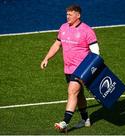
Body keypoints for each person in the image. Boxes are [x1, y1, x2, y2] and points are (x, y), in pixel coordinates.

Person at [40, 4, 100, 132]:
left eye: (70, 14)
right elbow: (57, 44)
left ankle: (64, 122)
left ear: (78, 15)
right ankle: (85, 119)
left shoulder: (87, 31)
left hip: (81, 69)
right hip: (67, 68)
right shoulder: (63, 28)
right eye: (67, 14)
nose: (67, 17)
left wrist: (89, 69)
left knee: (72, 92)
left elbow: (96, 53)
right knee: (79, 95)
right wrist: (46, 58)